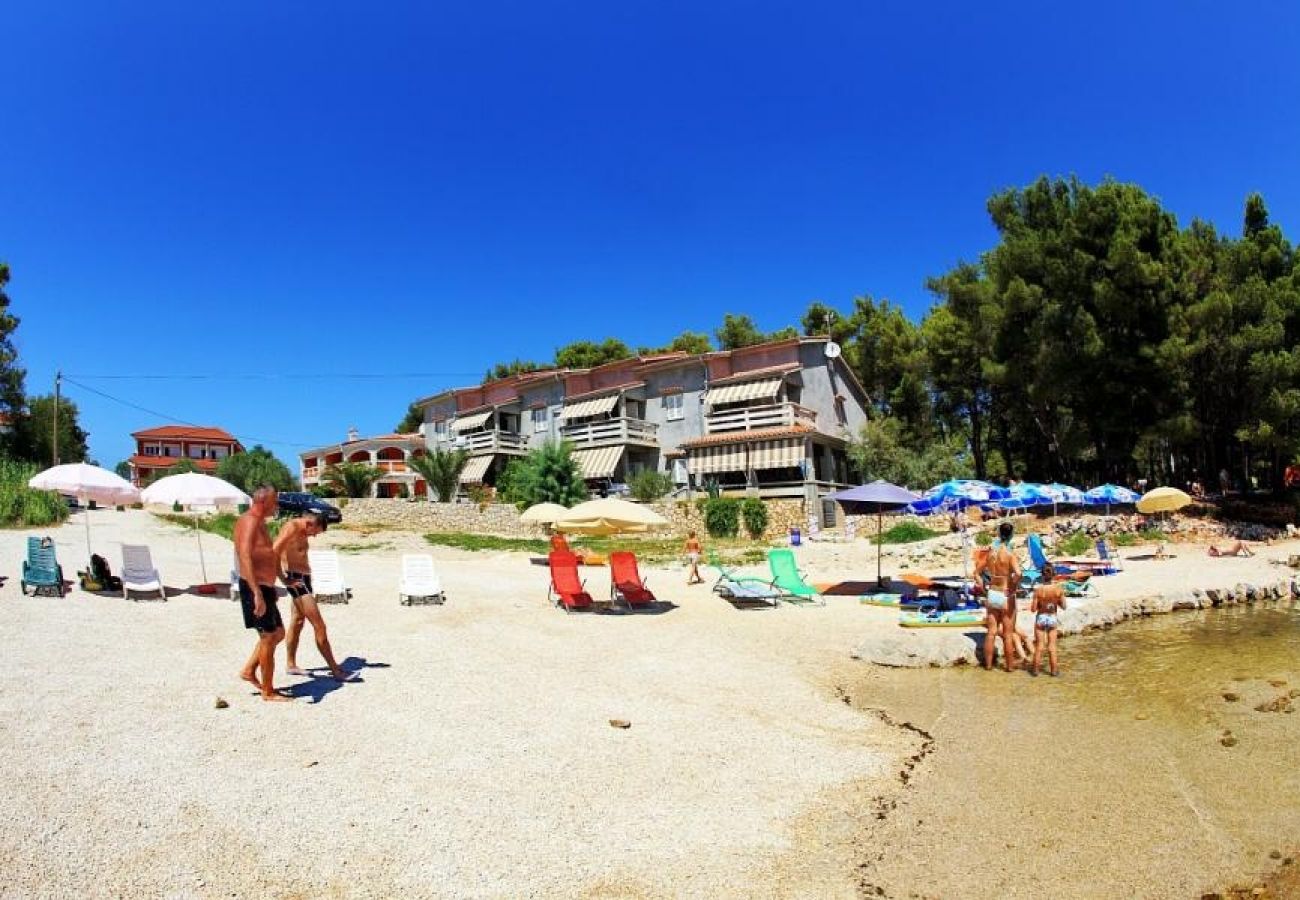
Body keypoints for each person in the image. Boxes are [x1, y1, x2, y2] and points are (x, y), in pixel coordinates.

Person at [274, 512, 350, 681]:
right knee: (319, 626)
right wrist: (284, 579)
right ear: (310, 523)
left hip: (303, 579)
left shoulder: (301, 530)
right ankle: (336, 670)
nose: (315, 535)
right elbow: (274, 551)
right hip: (297, 580)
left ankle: (291, 665)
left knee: (297, 622)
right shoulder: (292, 527)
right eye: (315, 531)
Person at [236, 485, 291, 702]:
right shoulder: (249, 521)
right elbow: (245, 556)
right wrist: (257, 592)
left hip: (264, 587)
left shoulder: (260, 523)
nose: (276, 505)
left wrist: (274, 584)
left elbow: (267, 554)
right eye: (274, 501)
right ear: (263, 501)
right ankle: (268, 691)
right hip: (255, 587)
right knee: (268, 636)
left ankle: (249, 670)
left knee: (278, 633)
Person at [974, 521, 1022, 672]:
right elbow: (1018, 573)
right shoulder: (1009, 554)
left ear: (999, 533)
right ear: (1011, 535)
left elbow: (976, 572)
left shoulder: (990, 554)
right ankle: (1009, 667)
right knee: (1008, 634)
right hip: (1005, 592)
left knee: (991, 632)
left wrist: (982, 585)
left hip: (992, 592)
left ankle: (988, 666)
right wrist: (1013, 586)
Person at [1029, 581, 1067, 677]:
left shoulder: (1038, 590)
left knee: (1039, 646)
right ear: (1053, 574)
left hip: (1041, 617)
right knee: (1052, 647)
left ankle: (1035, 671)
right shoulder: (1058, 589)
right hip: (1052, 617)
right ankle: (1054, 671)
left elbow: (1033, 609)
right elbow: (1064, 606)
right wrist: (1056, 601)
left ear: (1042, 576)